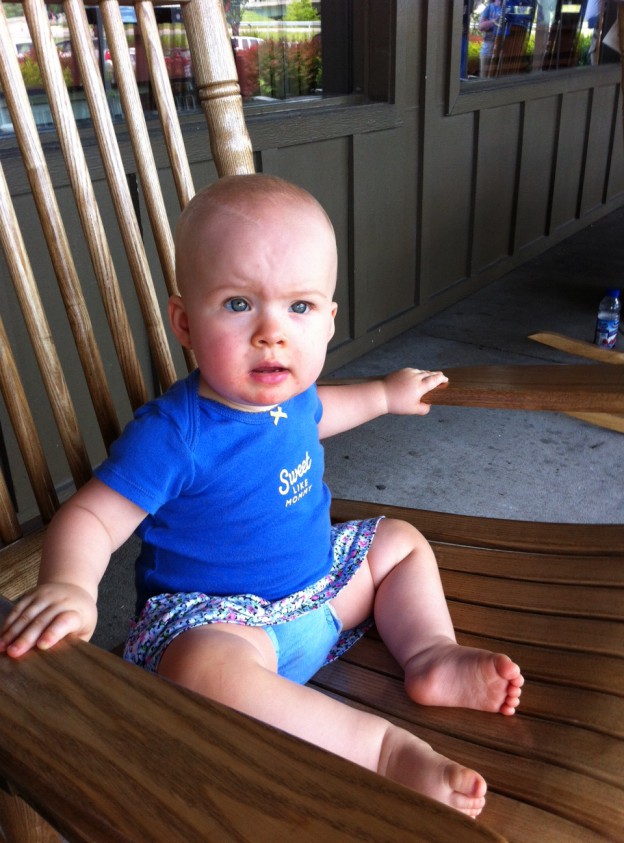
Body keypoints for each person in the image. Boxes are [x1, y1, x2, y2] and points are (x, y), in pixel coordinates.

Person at [0, 174, 523, 817]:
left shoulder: (293, 393)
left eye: (299, 307)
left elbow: (323, 410)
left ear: (328, 323)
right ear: (185, 322)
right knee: (199, 672)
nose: (272, 333)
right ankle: (384, 754)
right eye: (238, 304)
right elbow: (92, 517)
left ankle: (430, 654)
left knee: (399, 543)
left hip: (323, 592)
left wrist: (386, 395)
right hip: (227, 631)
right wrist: (71, 587)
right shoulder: (176, 433)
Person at [479, 0, 503, 77]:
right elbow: (481, 26)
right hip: (488, 46)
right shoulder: (490, 7)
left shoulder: (510, 7)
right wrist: (493, 22)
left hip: (504, 47)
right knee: (484, 77)